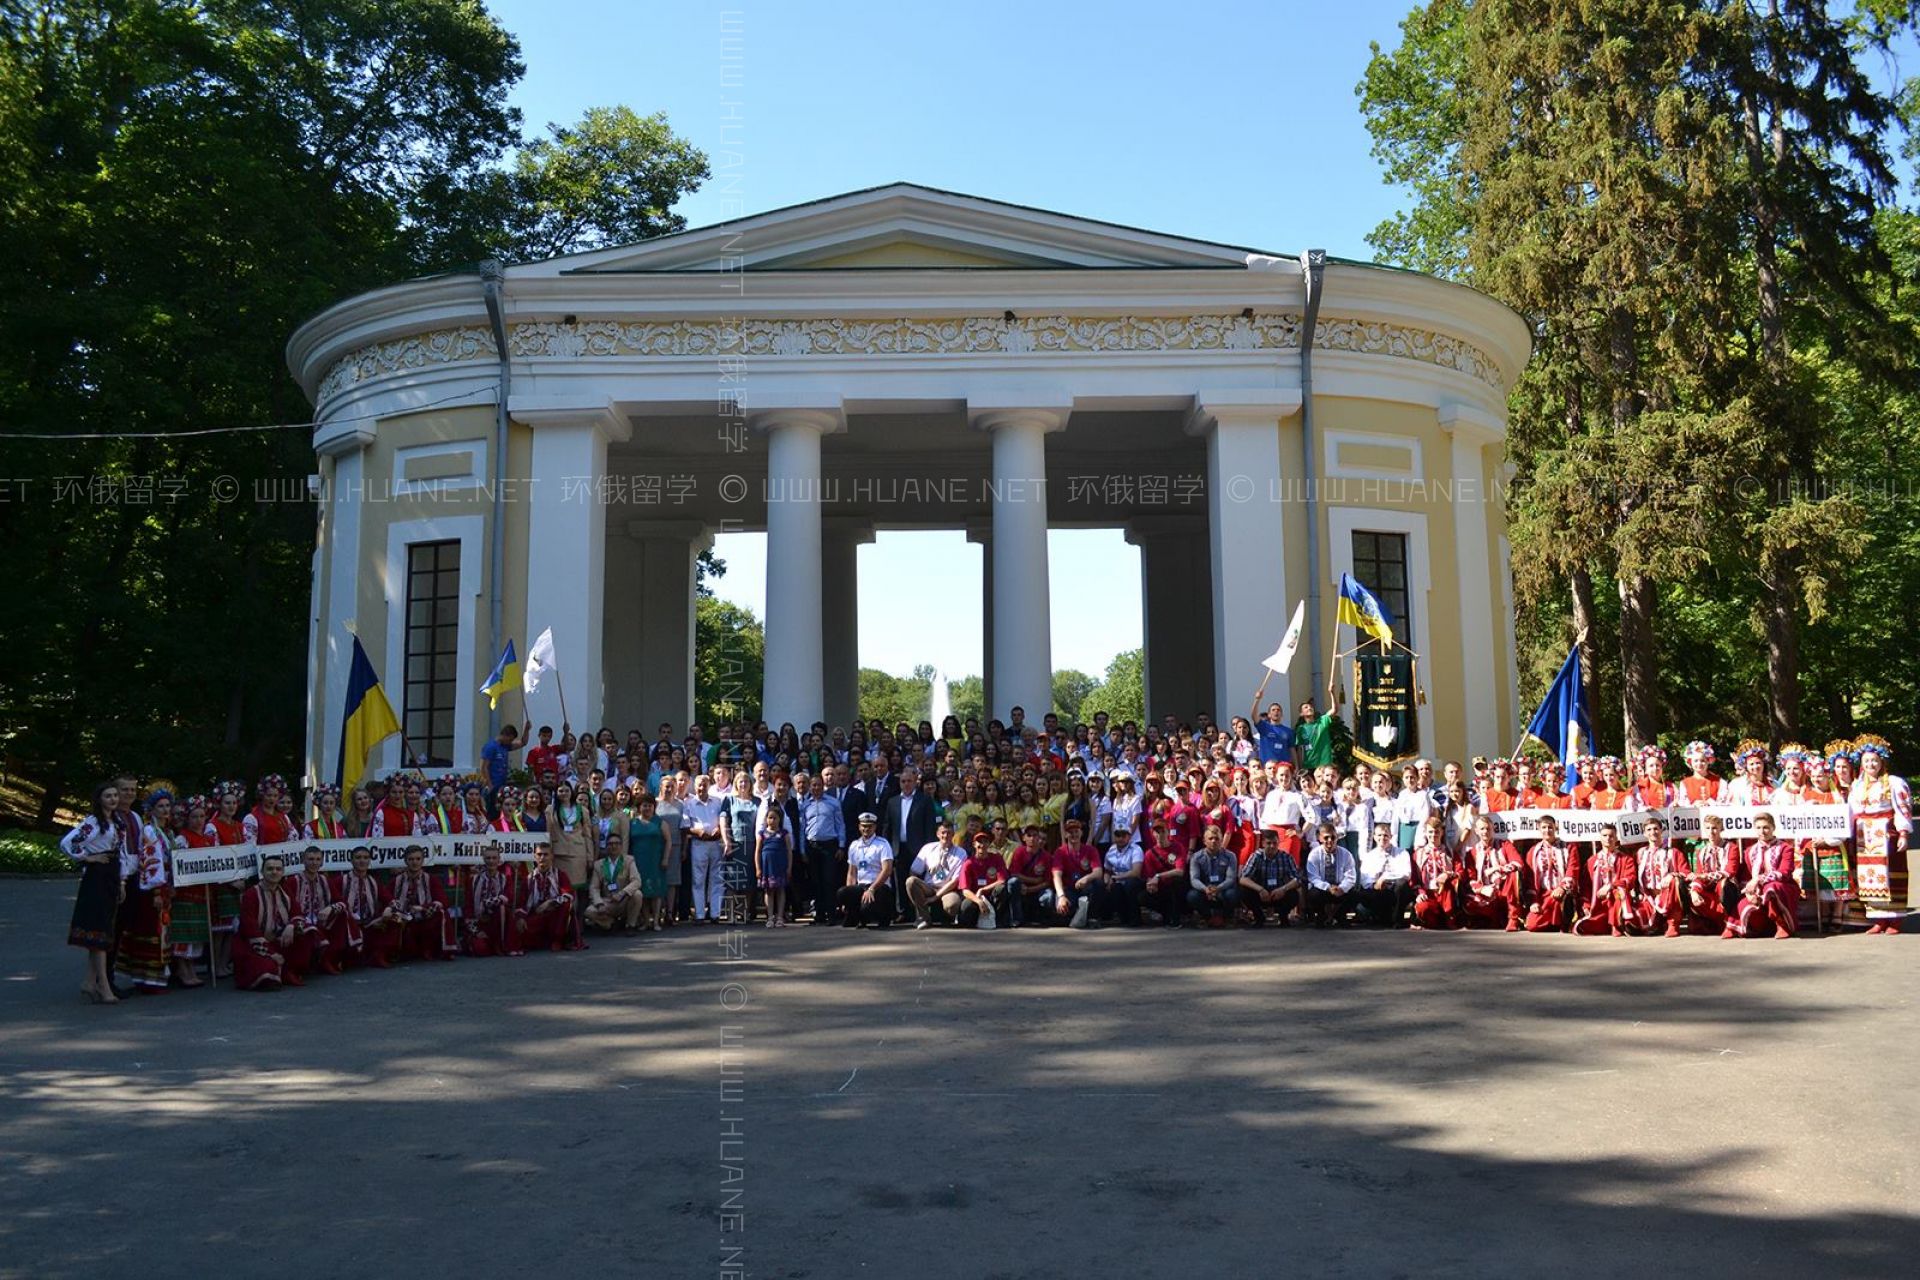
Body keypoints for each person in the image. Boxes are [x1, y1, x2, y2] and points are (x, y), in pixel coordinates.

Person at [62, 781, 128, 1004]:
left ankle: (90, 981)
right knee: (99, 931)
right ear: (99, 799)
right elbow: (68, 842)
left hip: (111, 874)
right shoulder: (93, 823)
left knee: (105, 928)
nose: (113, 799)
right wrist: (87, 857)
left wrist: (121, 882)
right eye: (108, 796)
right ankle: (104, 986)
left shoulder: (117, 822)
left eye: (114, 796)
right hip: (97, 877)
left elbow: (122, 853)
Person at [114, 789, 175, 994]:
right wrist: (157, 891)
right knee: (152, 929)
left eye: (167, 806)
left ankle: (159, 975)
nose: (165, 810)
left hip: (165, 885)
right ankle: (147, 977)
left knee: (163, 929)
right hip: (152, 888)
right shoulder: (150, 831)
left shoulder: (168, 831)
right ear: (152, 810)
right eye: (160, 806)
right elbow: (151, 862)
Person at [1848, 737, 1911, 936]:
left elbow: (1902, 810)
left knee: (1891, 876)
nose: (1871, 765)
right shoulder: (1857, 786)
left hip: (1886, 835)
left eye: (1874, 760)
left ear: (1882, 761)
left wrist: (1903, 833)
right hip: (1864, 839)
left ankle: (1895, 920)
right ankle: (1879, 919)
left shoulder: (1894, 783)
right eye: (1866, 761)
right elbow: (1851, 812)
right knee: (1870, 879)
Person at [233, 853, 315, 991]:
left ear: (283, 872)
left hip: (279, 940)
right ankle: (280, 970)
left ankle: (290, 969)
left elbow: (298, 913)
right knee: (267, 975)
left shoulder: (285, 890)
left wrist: (291, 925)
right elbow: (250, 930)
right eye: (270, 869)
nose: (274, 872)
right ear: (262, 872)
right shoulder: (251, 894)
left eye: (278, 869)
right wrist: (272, 954)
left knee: (308, 930)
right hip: (254, 946)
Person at [287, 845, 357, 974]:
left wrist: (330, 908)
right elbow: (288, 907)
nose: (314, 863)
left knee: (342, 915)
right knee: (305, 928)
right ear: (303, 860)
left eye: (318, 859)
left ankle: (329, 959)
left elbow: (342, 902)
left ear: (322, 862)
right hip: (301, 921)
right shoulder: (293, 881)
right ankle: (297, 968)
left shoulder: (325, 880)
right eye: (311, 859)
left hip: (321, 920)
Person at [391, 845, 456, 960]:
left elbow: (443, 901)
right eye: (411, 859)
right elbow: (388, 900)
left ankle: (443, 950)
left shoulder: (431, 879)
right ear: (405, 861)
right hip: (404, 920)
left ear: (423, 861)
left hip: (425, 919)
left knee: (441, 912)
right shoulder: (396, 881)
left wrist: (423, 908)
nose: (414, 862)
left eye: (417, 859)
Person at [1461, 814, 1526, 931]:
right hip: (1485, 892)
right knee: (1468, 903)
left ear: (1493, 830)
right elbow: (1470, 877)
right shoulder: (1472, 852)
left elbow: (1518, 863)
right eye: (1482, 829)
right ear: (1476, 831)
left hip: (1503, 889)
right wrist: (1482, 889)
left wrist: (1497, 869)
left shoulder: (1504, 845)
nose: (1485, 832)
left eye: (1488, 829)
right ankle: (1492, 918)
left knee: (1513, 875)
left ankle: (1513, 918)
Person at [1683, 813, 1743, 937]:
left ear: (1721, 829)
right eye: (1708, 828)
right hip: (1709, 889)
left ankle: (1729, 923)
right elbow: (1699, 876)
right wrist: (1694, 891)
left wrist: (1704, 876)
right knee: (1689, 889)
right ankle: (1714, 922)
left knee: (1724, 884)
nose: (1711, 832)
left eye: (1715, 828)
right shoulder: (1701, 851)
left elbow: (1730, 871)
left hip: (1727, 888)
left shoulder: (1731, 847)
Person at [800, 772, 846, 926]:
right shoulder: (805, 805)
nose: (816, 788)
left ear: (823, 786)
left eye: (818, 785)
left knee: (829, 880)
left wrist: (841, 845)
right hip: (812, 846)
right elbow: (802, 829)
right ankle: (819, 914)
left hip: (829, 846)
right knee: (815, 881)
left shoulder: (833, 802)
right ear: (810, 787)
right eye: (813, 785)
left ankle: (831, 914)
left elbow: (840, 825)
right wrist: (802, 850)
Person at [518, 844, 584, 951]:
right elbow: (522, 903)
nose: (542, 857)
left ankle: (557, 940)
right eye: (539, 854)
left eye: (546, 854)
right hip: (537, 915)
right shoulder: (529, 879)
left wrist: (549, 903)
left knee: (565, 905)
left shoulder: (560, 875)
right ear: (535, 856)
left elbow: (568, 896)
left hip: (555, 915)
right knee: (519, 930)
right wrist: (520, 918)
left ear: (552, 856)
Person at [465, 845, 525, 957]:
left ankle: (503, 945)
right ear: (483, 859)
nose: (491, 861)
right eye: (488, 858)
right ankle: (488, 944)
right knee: (480, 949)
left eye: (494, 858)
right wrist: (476, 931)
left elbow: (508, 898)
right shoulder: (473, 880)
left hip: (500, 922)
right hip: (481, 922)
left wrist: (484, 904)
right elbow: (468, 907)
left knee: (502, 907)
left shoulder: (505, 879)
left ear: (499, 860)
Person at [904, 821, 966, 928]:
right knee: (910, 881)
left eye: (949, 833)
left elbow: (955, 881)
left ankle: (946, 918)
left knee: (952, 905)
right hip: (929, 887)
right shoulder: (928, 848)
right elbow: (914, 871)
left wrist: (935, 897)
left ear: (953, 834)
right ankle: (924, 917)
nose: (946, 836)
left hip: (948, 889)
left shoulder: (961, 853)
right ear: (937, 834)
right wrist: (915, 895)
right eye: (943, 832)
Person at [1522, 814, 1578, 932]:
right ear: (1539, 829)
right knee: (1532, 925)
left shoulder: (1569, 847)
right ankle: (1554, 923)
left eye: (1550, 827)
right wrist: (1533, 902)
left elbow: (1573, 869)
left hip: (1562, 893)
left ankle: (1563, 919)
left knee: (1559, 903)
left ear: (1555, 828)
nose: (1547, 830)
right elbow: (1530, 879)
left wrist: (1562, 887)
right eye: (1544, 827)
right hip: (1542, 895)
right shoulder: (1533, 852)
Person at [838, 813, 895, 928]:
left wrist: (872, 889)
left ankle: (883, 917)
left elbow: (887, 870)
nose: (866, 829)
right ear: (859, 826)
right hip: (862, 886)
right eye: (863, 826)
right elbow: (852, 872)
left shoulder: (882, 844)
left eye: (869, 826)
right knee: (842, 893)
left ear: (875, 827)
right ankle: (855, 916)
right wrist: (848, 898)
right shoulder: (854, 845)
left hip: (879, 887)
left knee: (867, 908)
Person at [1239, 827, 1303, 926]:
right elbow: (1243, 878)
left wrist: (1283, 889)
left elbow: (1297, 879)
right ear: (1263, 843)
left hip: (1279, 894)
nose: (1272, 846)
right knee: (1244, 892)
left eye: (1275, 843)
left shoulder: (1286, 857)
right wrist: (1260, 889)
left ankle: (1283, 917)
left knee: (1294, 895)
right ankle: (1259, 917)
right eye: (1269, 843)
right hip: (1261, 894)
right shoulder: (1256, 856)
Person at [1354, 821, 1413, 927]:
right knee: (1362, 894)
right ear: (1374, 837)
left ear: (1391, 836)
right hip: (1379, 891)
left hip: (1395, 890)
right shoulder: (1369, 856)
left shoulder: (1402, 853)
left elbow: (1406, 873)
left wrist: (1386, 878)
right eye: (1379, 835)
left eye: (1386, 835)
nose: (1383, 838)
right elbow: (1364, 878)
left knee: (1402, 885)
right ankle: (1381, 918)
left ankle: (1397, 921)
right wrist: (1375, 883)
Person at [1637, 817, 1688, 938]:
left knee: (1675, 882)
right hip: (1649, 897)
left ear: (1661, 830)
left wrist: (1672, 875)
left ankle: (1672, 924)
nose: (1653, 832)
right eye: (1649, 829)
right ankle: (1657, 923)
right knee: (1633, 920)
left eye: (1656, 829)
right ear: (1644, 833)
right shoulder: (1640, 853)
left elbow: (1685, 872)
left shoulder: (1674, 852)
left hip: (1668, 895)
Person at [585, 828, 644, 932]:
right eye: (610, 844)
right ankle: (610, 923)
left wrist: (622, 893)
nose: (613, 846)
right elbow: (594, 888)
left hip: (624, 900)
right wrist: (599, 904)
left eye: (616, 843)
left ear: (621, 846)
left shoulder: (629, 860)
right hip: (608, 901)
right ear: (606, 846)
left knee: (637, 895)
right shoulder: (599, 865)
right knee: (589, 911)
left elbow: (636, 881)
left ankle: (630, 925)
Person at [1048, 818, 1103, 929]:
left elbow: (1098, 872)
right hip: (1069, 889)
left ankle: (1093, 917)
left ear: (1081, 833)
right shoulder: (1060, 852)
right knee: (1062, 910)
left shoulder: (1090, 850)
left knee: (1098, 883)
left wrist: (1086, 878)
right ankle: (1077, 915)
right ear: (1065, 834)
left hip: (1085, 888)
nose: (1074, 834)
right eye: (1070, 832)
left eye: (1076, 831)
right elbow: (1056, 875)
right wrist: (1061, 896)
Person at [1411, 815, 1462, 930]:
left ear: (1442, 832)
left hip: (1445, 894)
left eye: (1436, 832)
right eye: (1430, 832)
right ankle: (1434, 922)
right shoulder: (1418, 854)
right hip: (1428, 893)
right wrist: (1420, 893)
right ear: (1426, 833)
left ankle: (1449, 919)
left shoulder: (1449, 852)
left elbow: (1460, 871)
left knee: (1449, 885)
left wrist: (1448, 874)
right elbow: (1414, 879)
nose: (1433, 835)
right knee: (1423, 908)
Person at [628, 793, 670, 931]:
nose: (647, 808)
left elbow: (668, 841)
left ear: (654, 807)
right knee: (643, 891)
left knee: (656, 892)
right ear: (639, 807)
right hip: (638, 860)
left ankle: (656, 921)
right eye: (644, 805)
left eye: (650, 805)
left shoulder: (660, 822)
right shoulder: (633, 822)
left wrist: (665, 858)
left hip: (655, 860)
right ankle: (646, 921)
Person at [1303, 821, 1358, 927]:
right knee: (1313, 894)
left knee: (1355, 894)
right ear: (1319, 838)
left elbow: (1351, 876)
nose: (1330, 841)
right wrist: (1328, 887)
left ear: (1337, 837)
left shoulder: (1346, 854)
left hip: (1340, 889)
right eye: (1326, 838)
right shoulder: (1314, 854)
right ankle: (1321, 916)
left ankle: (1340, 916)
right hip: (1323, 890)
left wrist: (1342, 888)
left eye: (1333, 837)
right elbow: (1313, 877)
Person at [1188, 823, 1243, 927]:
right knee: (1192, 896)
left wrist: (1218, 888)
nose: (1214, 841)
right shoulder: (1196, 857)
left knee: (1233, 894)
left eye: (1217, 838)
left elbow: (1231, 879)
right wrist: (1205, 889)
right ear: (1204, 841)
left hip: (1223, 890)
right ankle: (1207, 917)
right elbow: (1194, 879)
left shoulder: (1230, 856)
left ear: (1221, 840)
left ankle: (1226, 918)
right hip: (1205, 891)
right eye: (1210, 838)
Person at [1141, 813, 1189, 928]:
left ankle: (1176, 919)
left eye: (1163, 831)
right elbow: (1149, 876)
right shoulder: (1149, 854)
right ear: (1153, 834)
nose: (1160, 835)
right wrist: (1150, 885)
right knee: (1142, 896)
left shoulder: (1177, 847)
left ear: (1168, 832)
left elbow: (1179, 871)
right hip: (1161, 888)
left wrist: (1158, 876)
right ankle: (1165, 914)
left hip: (1175, 887)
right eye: (1157, 832)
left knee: (1177, 882)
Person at [1095, 821, 1146, 927]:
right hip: (1117, 881)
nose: (1120, 838)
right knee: (1106, 886)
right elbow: (1107, 871)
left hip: (1134, 881)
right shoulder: (1111, 850)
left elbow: (1136, 872)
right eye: (1118, 835)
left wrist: (1115, 878)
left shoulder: (1136, 849)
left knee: (1130, 884)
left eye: (1124, 835)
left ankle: (1135, 918)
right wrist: (1107, 880)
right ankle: (1118, 917)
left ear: (1129, 836)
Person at [1006, 822, 1055, 927]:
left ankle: (1042, 919)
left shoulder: (1047, 856)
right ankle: (1016, 919)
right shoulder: (1019, 852)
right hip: (1021, 886)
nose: (1032, 838)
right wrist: (1033, 881)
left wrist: (1030, 889)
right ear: (1023, 838)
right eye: (1029, 835)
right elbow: (1014, 873)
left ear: (1038, 838)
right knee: (1012, 882)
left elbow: (1047, 882)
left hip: (1038, 889)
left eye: (1035, 835)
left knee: (1048, 896)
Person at [955, 832, 1008, 928]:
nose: (982, 845)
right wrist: (979, 901)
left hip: (991, 896)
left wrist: (982, 890)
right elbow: (965, 890)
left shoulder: (997, 858)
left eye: (985, 842)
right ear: (974, 844)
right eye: (979, 842)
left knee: (1002, 889)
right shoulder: (968, 863)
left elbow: (1002, 880)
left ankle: (999, 920)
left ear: (989, 844)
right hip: (975, 897)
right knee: (967, 906)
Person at [754, 806, 794, 929]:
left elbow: (789, 851)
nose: (772, 820)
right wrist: (758, 868)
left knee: (780, 890)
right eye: (770, 818)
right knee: (769, 891)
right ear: (766, 819)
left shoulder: (784, 834)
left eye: (775, 818)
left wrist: (789, 867)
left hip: (780, 865)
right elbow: (757, 851)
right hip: (767, 866)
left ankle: (780, 917)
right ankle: (770, 916)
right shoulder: (762, 834)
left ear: (780, 819)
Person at [481, 719, 532, 791]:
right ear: (504, 735)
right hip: (492, 785)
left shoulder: (505, 746)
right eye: (510, 740)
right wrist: (489, 785)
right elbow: (484, 767)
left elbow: (523, 743)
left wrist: (526, 730)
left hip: (502, 785)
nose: (510, 742)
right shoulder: (490, 747)